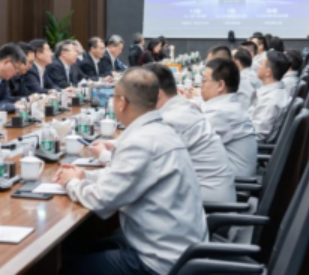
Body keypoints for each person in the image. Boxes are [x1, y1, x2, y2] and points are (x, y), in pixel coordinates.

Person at [54, 68, 207, 275]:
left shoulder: (141, 142)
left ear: (122, 102)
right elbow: (124, 175)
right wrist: (85, 175)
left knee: (68, 269)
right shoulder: (161, 130)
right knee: (87, 246)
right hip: (179, 247)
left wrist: (71, 183)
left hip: (160, 262)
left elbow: (102, 200)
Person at [144, 64, 236, 203]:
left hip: (208, 202)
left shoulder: (172, 119)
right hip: (208, 191)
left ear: (157, 94)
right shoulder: (182, 108)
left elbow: (146, 163)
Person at [200, 58, 258, 177]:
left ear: (220, 85)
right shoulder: (230, 106)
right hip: (230, 174)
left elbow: (188, 138)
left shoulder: (222, 113)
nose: (201, 86)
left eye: (204, 81)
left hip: (234, 182)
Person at [248, 50, 291, 142]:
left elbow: (258, 135)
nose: (258, 65)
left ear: (268, 72)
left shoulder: (269, 101)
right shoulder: (278, 92)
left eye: (261, 63)